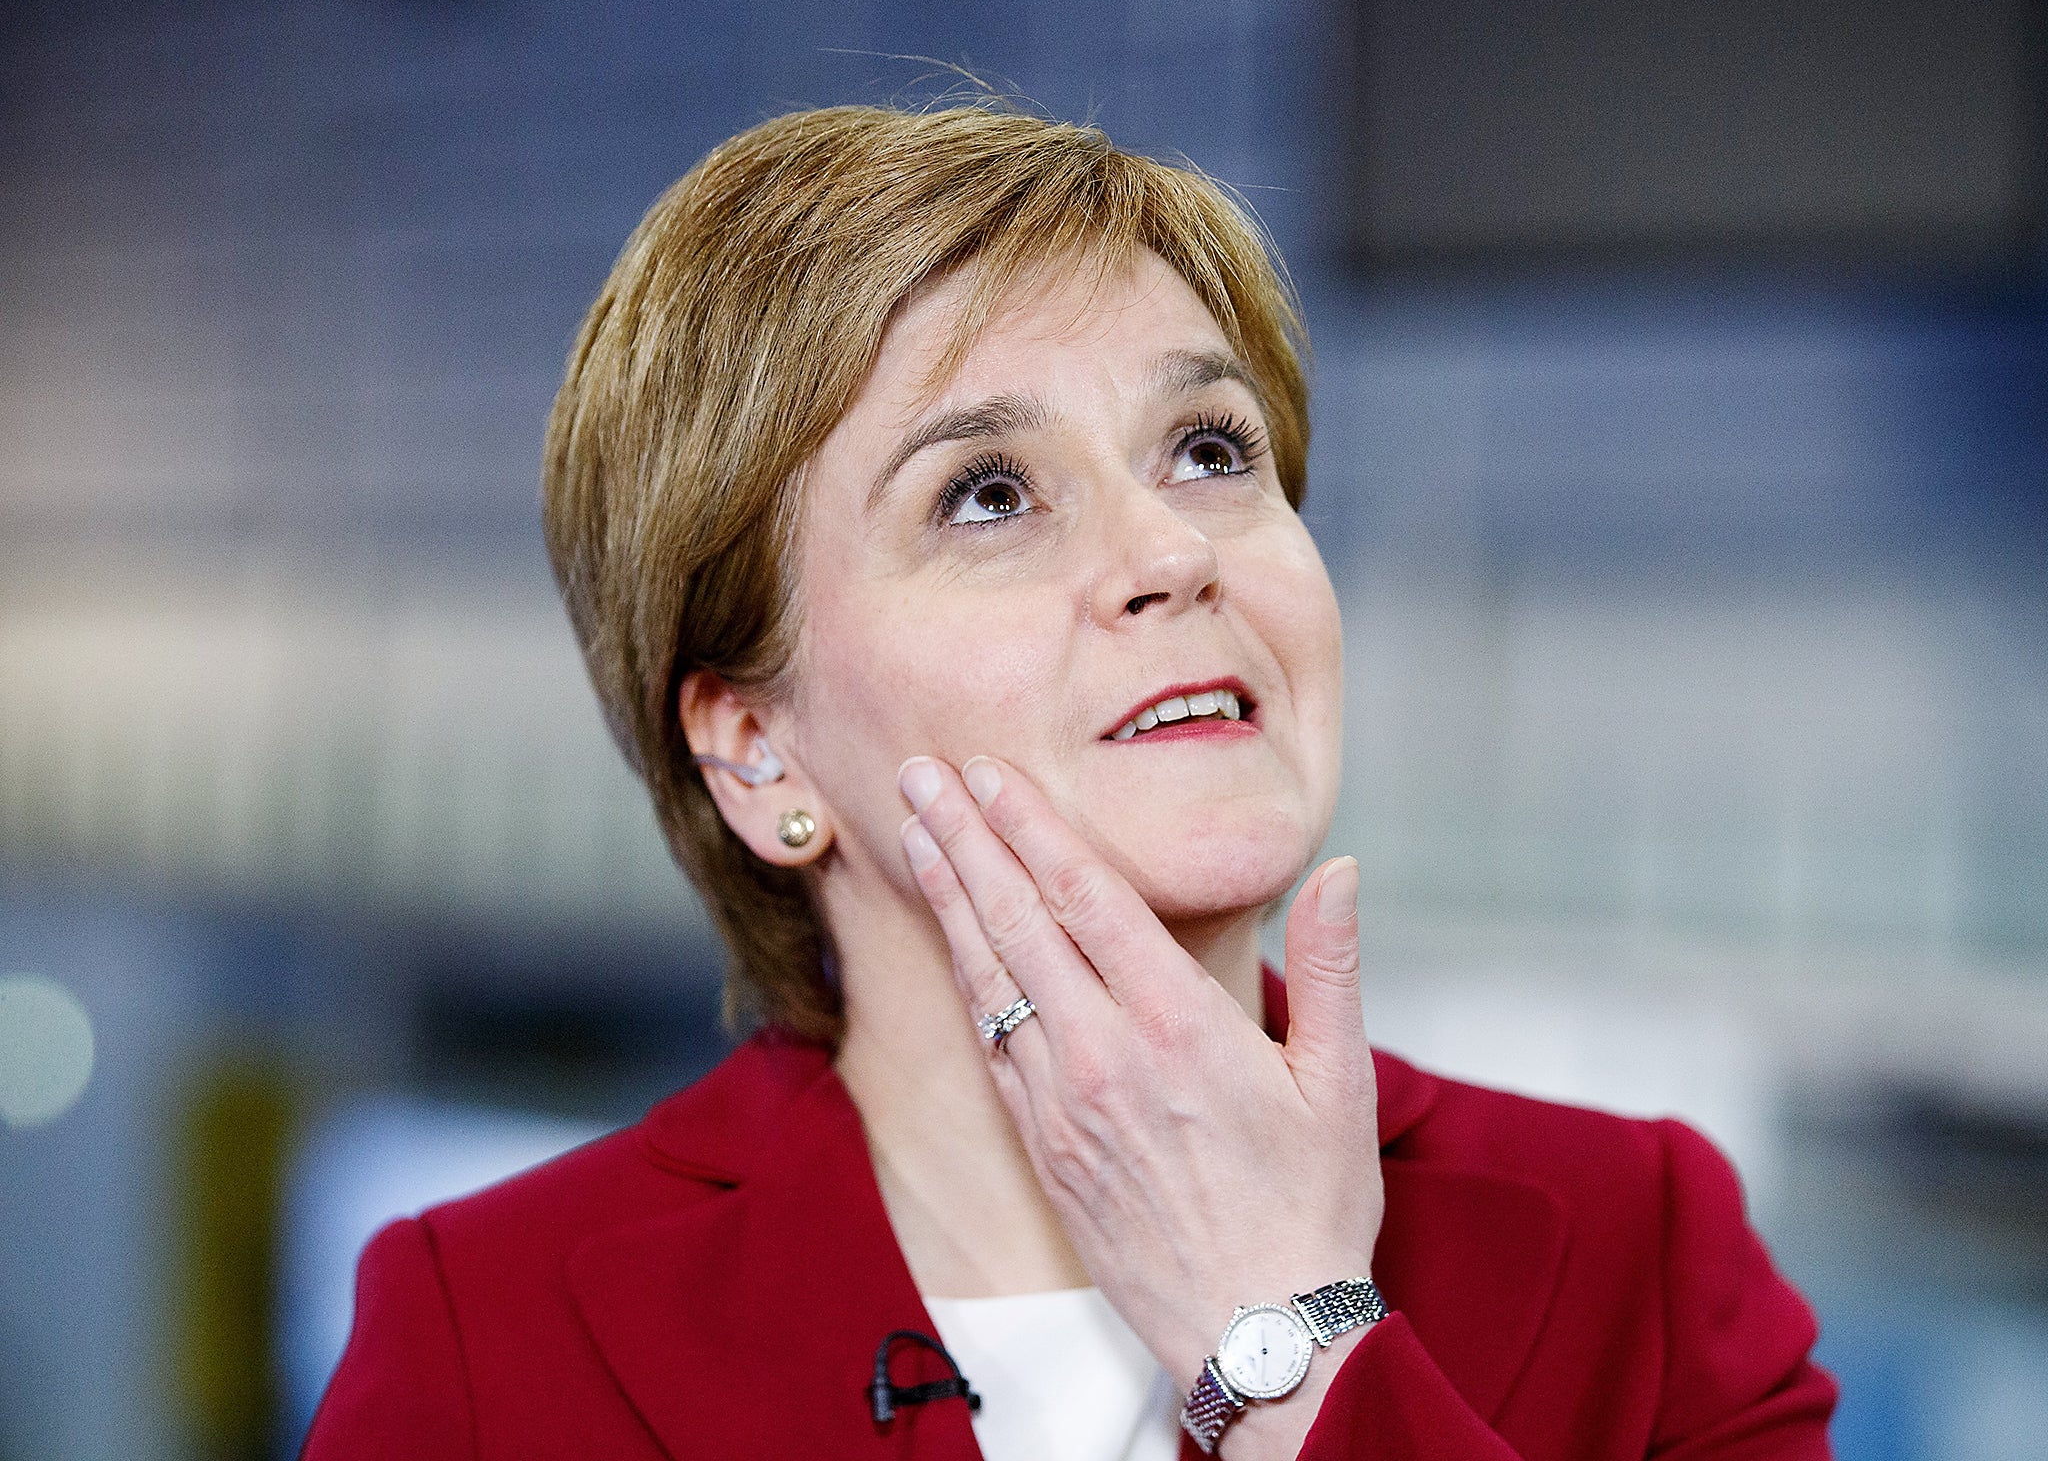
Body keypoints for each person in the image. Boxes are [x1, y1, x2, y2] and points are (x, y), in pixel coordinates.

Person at [303, 104, 1836, 1460]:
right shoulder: (484, 1345)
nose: (1172, 552)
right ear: (755, 746)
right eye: (986, 494)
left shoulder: (1645, 1246)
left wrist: (1293, 1353)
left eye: (1211, 450)